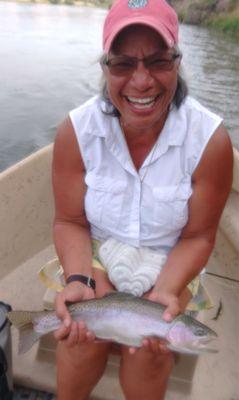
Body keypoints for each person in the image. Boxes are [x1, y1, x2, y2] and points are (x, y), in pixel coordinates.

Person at [52, 0, 233, 399]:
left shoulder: (210, 141)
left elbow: (199, 236)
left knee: (149, 354)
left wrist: (166, 291)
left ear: (177, 62)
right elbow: (70, 222)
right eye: (122, 64)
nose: (141, 81)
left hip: (171, 255)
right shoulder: (76, 131)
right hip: (97, 253)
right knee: (80, 342)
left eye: (157, 61)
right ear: (105, 67)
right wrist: (80, 279)